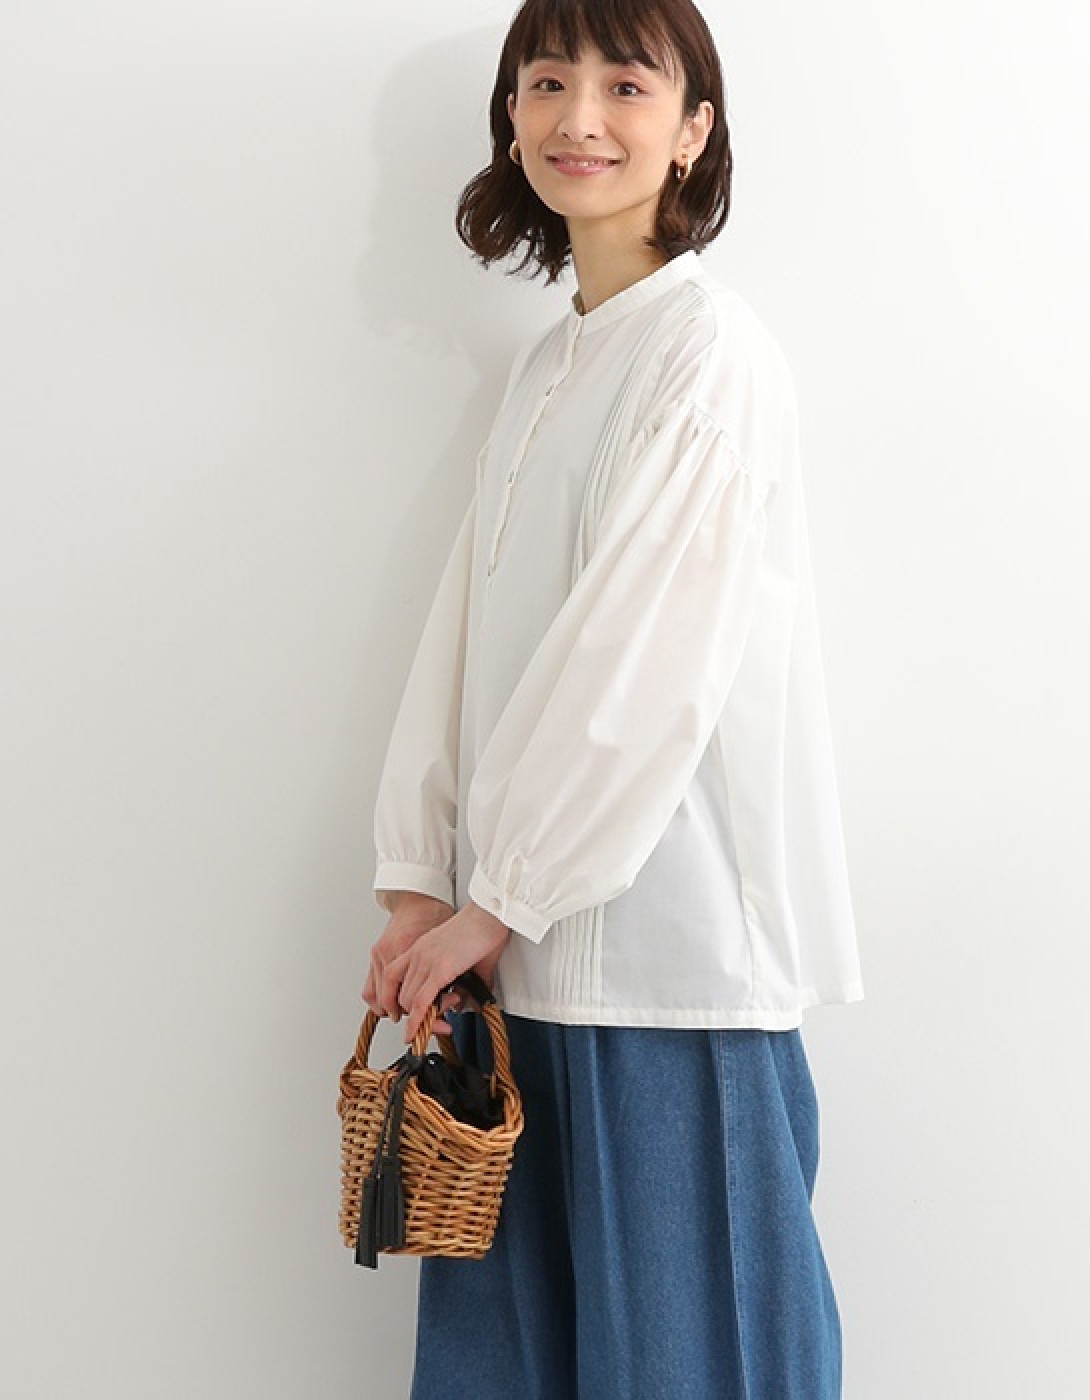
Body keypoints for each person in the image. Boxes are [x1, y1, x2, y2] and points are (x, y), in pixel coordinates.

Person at [360, 1, 865, 1395]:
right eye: (546, 82)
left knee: (700, 1365)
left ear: (694, 128)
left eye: (627, 85)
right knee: (510, 1369)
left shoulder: (710, 352)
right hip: (510, 965)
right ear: (512, 115)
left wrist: (495, 896)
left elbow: (646, 667)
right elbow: (465, 636)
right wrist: (420, 882)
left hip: (667, 975)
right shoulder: (550, 365)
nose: (578, 117)